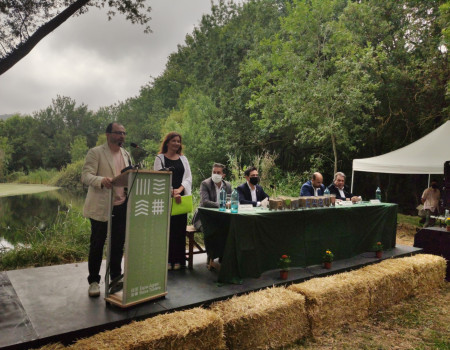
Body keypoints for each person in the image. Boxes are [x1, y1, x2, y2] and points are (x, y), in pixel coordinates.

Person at [81, 122, 132, 297]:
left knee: (118, 245)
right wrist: (101, 180)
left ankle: (116, 278)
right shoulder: (96, 153)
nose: (122, 136)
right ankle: (94, 281)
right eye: (118, 132)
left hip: (121, 205)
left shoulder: (126, 154)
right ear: (108, 134)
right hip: (101, 206)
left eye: (124, 133)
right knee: (97, 244)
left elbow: (128, 177)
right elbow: (86, 176)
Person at [153, 132, 192, 270]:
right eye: (174, 141)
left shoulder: (183, 159)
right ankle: (167, 260)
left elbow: (188, 178)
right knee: (167, 230)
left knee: (179, 231)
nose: (176, 143)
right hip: (165, 200)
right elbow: (158, 178)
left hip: (180, 200)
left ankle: (179, 260)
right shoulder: (160, 158)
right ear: (167, 142)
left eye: (178, 141)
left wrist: (179, 190)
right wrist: (171, 191)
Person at [193, 163, 233, 231]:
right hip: (204, 218)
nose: (215, 174)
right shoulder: (205, 184)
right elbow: (205, 202)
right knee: (211, 230)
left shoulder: (228, 185)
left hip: (221, 217)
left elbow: (231, 200)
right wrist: (222, 205)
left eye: (218, 172)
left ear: (223, 175)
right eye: (214, 172)